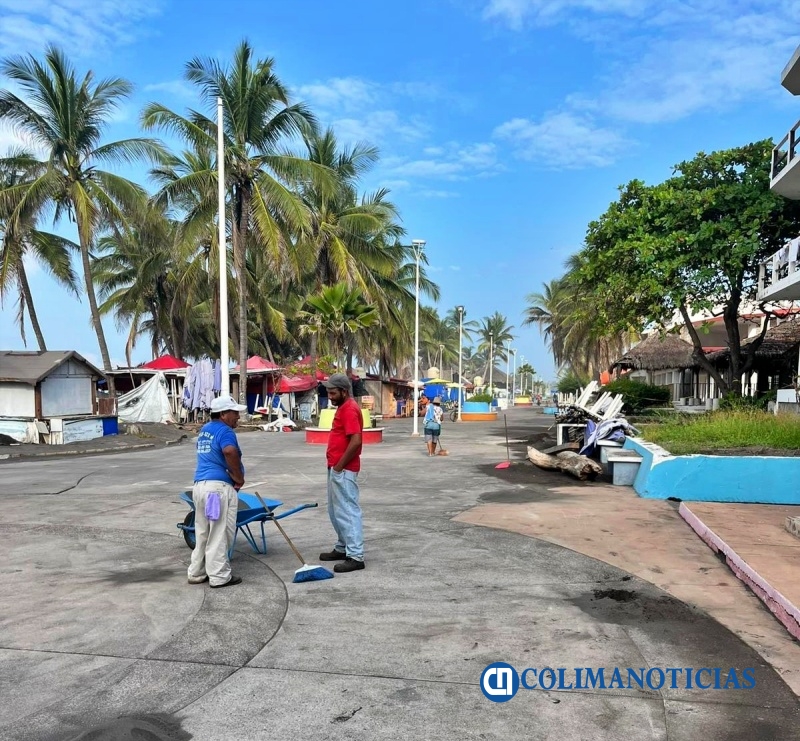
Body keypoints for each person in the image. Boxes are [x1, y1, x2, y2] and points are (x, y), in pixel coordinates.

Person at [187, 395, 247, 588]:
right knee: (219, 532)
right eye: (234, 412)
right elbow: (229, 451)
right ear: (223, 414)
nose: (238, 416)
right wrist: (238, 477)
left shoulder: (206, 430)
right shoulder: (225, 431)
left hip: (200, 488)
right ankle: (219, 576)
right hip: (217, 491)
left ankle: (196, 572)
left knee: (203, 530)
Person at [319, 373, 365, 573]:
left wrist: (339, 467)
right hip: (336, 468)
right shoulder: (343, 408)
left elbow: (356, 441)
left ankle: (355, 555)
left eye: (332, 392)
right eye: (328, 392)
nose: (329, 395)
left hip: (343, 469)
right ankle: (342, 546)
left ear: (344, 392)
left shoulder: (349, 409)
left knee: (347, 510)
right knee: (335, 511)